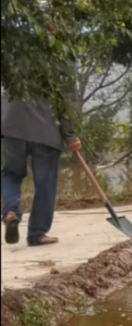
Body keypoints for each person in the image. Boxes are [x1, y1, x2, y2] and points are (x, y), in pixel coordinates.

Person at [1, 94, 81, 246]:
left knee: (11, 174)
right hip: (45, 130)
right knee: (45, 182)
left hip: (12, 125)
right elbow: (64, 100)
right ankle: (37, 233)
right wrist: (70, 135)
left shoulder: (11, 68)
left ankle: (10, 212)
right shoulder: (56, 69)